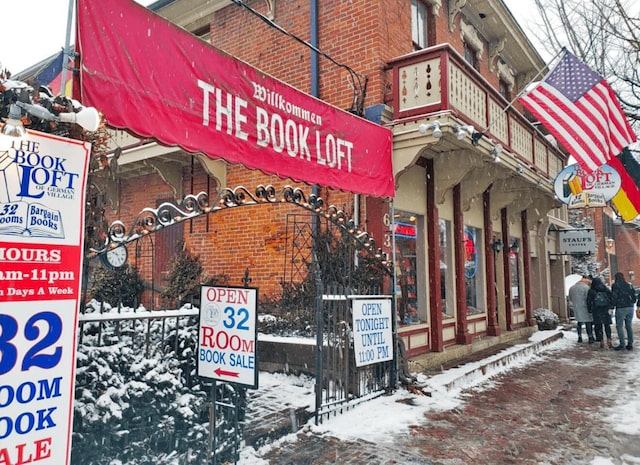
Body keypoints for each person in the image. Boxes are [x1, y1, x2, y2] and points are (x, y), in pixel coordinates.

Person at [587, 277, 613, 349]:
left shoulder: (592, 290)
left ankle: (601, 340)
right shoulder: (606, 289)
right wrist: (610, 307)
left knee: (598, 326)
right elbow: (611, 298)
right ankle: (609, 338)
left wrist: (589, 309)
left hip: (597, 310)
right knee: (607, 325)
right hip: (606, 309)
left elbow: (589, 301)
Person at [611, 272, 635, 351]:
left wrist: (612, 306)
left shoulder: (615, 286)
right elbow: (634, 297)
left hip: (621, 308)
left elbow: (614, 297)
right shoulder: (629, 285)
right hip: (630, 307)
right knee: (628, 326)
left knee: (619, 326)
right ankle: (630, 344)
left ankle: (622, 344)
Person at [568, 276, 594, 343]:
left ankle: (579, 336)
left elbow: (570, 298)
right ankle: (590, 337)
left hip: (576, 307)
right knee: (588, 322)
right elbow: (588, 298)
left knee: (579, 322)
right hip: (585, 307)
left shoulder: (572, 288)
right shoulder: (586, 288)